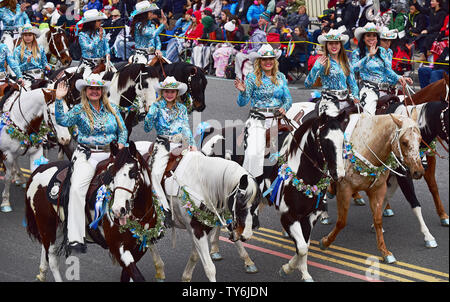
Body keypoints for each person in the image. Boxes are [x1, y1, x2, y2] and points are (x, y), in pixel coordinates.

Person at [54, 73, 128, 254]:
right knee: (76, 189)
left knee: (130, 183)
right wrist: (58, 100)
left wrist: (121, 141)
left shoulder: (113, 109)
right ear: (85, 91)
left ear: (102, 91)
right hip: (87, 156)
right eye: (91, 88)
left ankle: (131, 229)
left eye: (97, 88)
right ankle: (75, 238)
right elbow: (62, 120)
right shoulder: (79, 110)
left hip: (110, 155)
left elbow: (123, 130)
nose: (94, 91)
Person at [234, 44, 292, 178]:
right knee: (254, 152)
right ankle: (251, 180)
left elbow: (288, 99)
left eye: (271, 59)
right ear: (259, 61)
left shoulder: (281, 77)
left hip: (277, 118)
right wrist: (242, 93)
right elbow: (241, 103)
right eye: (264, 59)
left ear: (274, 60)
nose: (268, 62)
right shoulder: (251, 78)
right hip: (258, 119)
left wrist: (285, 107)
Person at [144, 76, 196, 222]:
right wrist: (149, 116)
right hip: (162, 145)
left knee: (195, 167)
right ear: (162, 92)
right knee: (154, 174)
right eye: (166, 91)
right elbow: (147, 128)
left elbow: (185, 127)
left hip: (180, 144)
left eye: (172, 91)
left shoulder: (182, 108)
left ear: (177, 93)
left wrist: (192, 144)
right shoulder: (156, 106)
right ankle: (163, 207)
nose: (169, 94)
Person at [352, 22, 412, 115]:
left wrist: (399, 77)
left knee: (406, 108)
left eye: (374, 36)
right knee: (369, 114)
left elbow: (388, 70)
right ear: (363, 38)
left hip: (386, 90)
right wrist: (369, 56)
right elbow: (354, 69)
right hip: (369, 90)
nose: (371, 38)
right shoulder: (357, 53)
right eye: (368, 35)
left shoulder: (383, 51)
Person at [304, 29, 359, 112]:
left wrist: (356, 97)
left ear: (340, 45)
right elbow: (307, 84)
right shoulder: (322, 61)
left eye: (336, 43)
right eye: (330, 43)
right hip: (328, 103)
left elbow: (353, 83)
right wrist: (315, 68)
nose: (334, 46)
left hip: (345, 101)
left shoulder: (346, 61)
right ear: (326, 45)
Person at [13, 23, 51, 89]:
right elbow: (17, 69)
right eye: (25, 35)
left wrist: (47, 66)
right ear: (22, 37)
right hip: (26, 78)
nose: (28, 37)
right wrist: (26, 63)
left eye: (30, 35)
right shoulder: (17, 50)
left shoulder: (40, 48)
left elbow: (44, 62)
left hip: (41, 76)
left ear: (34, 36)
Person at [76, 8, 110, 77]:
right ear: (91, 23)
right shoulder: (82, 35)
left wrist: (107, 53)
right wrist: (98, 39)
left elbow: (106, 44)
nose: (101, 22)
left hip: (102, 63)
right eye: (98, 20)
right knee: (86, 78)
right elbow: (88, 48)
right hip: (88, 64)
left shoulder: (102, 31)